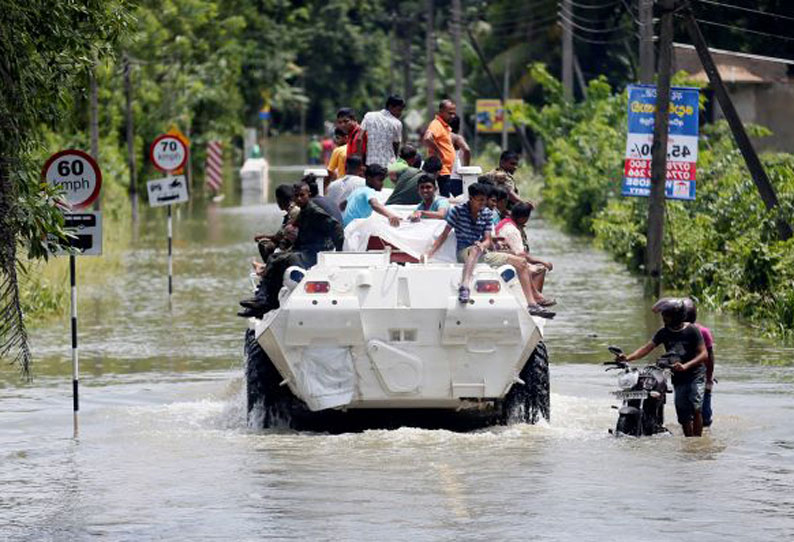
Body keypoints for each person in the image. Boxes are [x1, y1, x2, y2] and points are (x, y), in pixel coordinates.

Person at [239, 182, 344, 317]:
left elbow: (336, 228)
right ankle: (264, 300)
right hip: (305, 250)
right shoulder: (303, 211)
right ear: (293, 198)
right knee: (275, 258)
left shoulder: (314, 211)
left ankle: (265, 300)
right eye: (297, 196)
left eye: (302, 195)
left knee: (283, 258)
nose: (299, 198)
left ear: (309, 195)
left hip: (314, 254)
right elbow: (287, 230)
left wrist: (339, 254)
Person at [617, 298, 708, 437]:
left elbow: (704, 354)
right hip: (678, 376)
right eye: (663, 314)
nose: (663, 317)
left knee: (696, 407)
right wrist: (628, 358)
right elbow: (647, 348)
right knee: (683, 414)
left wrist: (686, 366)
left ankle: (698, 440)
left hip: (695, 374)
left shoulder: (692, 330)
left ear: (676, 316)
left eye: (667, 315)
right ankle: (690, 442)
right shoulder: (664, 332)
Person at [424, 182, 493, 304]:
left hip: (481, 251)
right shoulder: (458, 211)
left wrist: (483, 245)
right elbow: (444, 234)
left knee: (521, 263)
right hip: (463, 252)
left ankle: (533, 302)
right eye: (480, 200)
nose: (483, 203)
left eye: (485, 200)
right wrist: (429, 253)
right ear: (471, 199)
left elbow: (488, 239)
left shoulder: (487, 213)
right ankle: (464, 286)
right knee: (474, 249)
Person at [493, 202, 555, 307]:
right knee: (540, 269)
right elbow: (522, 255)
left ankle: (535, 297)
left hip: (504, 256)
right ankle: (536, 299)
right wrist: (542, 261)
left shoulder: (505, 222)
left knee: (531, 265)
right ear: (523, 218)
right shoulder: (512, 230)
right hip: (507, 261)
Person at [682, 298, 716, 427]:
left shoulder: (703, 332)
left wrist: (708, 379)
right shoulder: (676, 332)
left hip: (700, 376)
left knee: (704, 417)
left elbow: (710, 356)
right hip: (684, 376)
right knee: (688, 416)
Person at [253, 184, 300, 266]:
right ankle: (268, 267)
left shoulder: (293, 211)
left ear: (280, 200)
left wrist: (263, 237)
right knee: (270, 243)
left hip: (294, 246)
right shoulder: (293, 209)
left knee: (264, 244)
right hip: (292, 242)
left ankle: (268, 269)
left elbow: (280, 235)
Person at [342, 164, 401, 228]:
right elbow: (374, 204)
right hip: (355, 229)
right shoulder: (369, 191)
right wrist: (390, 215)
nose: (382, 183)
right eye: (380, 180)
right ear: (369, 179)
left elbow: (342, 206)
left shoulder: (357, 190)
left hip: (346, 227)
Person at [423, 100, 457, 197]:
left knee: (442, 198)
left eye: (454, 114)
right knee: (444, 200)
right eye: (450, 113)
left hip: (445, 170)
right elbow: (427, 138)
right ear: (441, 111)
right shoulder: (436, 124)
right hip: (440, 170)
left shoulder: (444, 126)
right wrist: (439, 152)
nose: (453, 116)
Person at [360, 95, 405, 166]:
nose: (400, 113)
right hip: (388, 165)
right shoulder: (397, 123)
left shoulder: (368, 116)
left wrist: (361, 161)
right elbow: (396, 146)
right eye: (399, 110)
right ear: (390, 107)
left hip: (370, 163)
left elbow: (359, 138)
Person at [447, 115, 471, 197]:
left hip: (441, 175)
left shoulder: (439, 136)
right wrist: (466, 168)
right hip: (455, 176)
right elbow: (467, 150)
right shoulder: (456, 137)